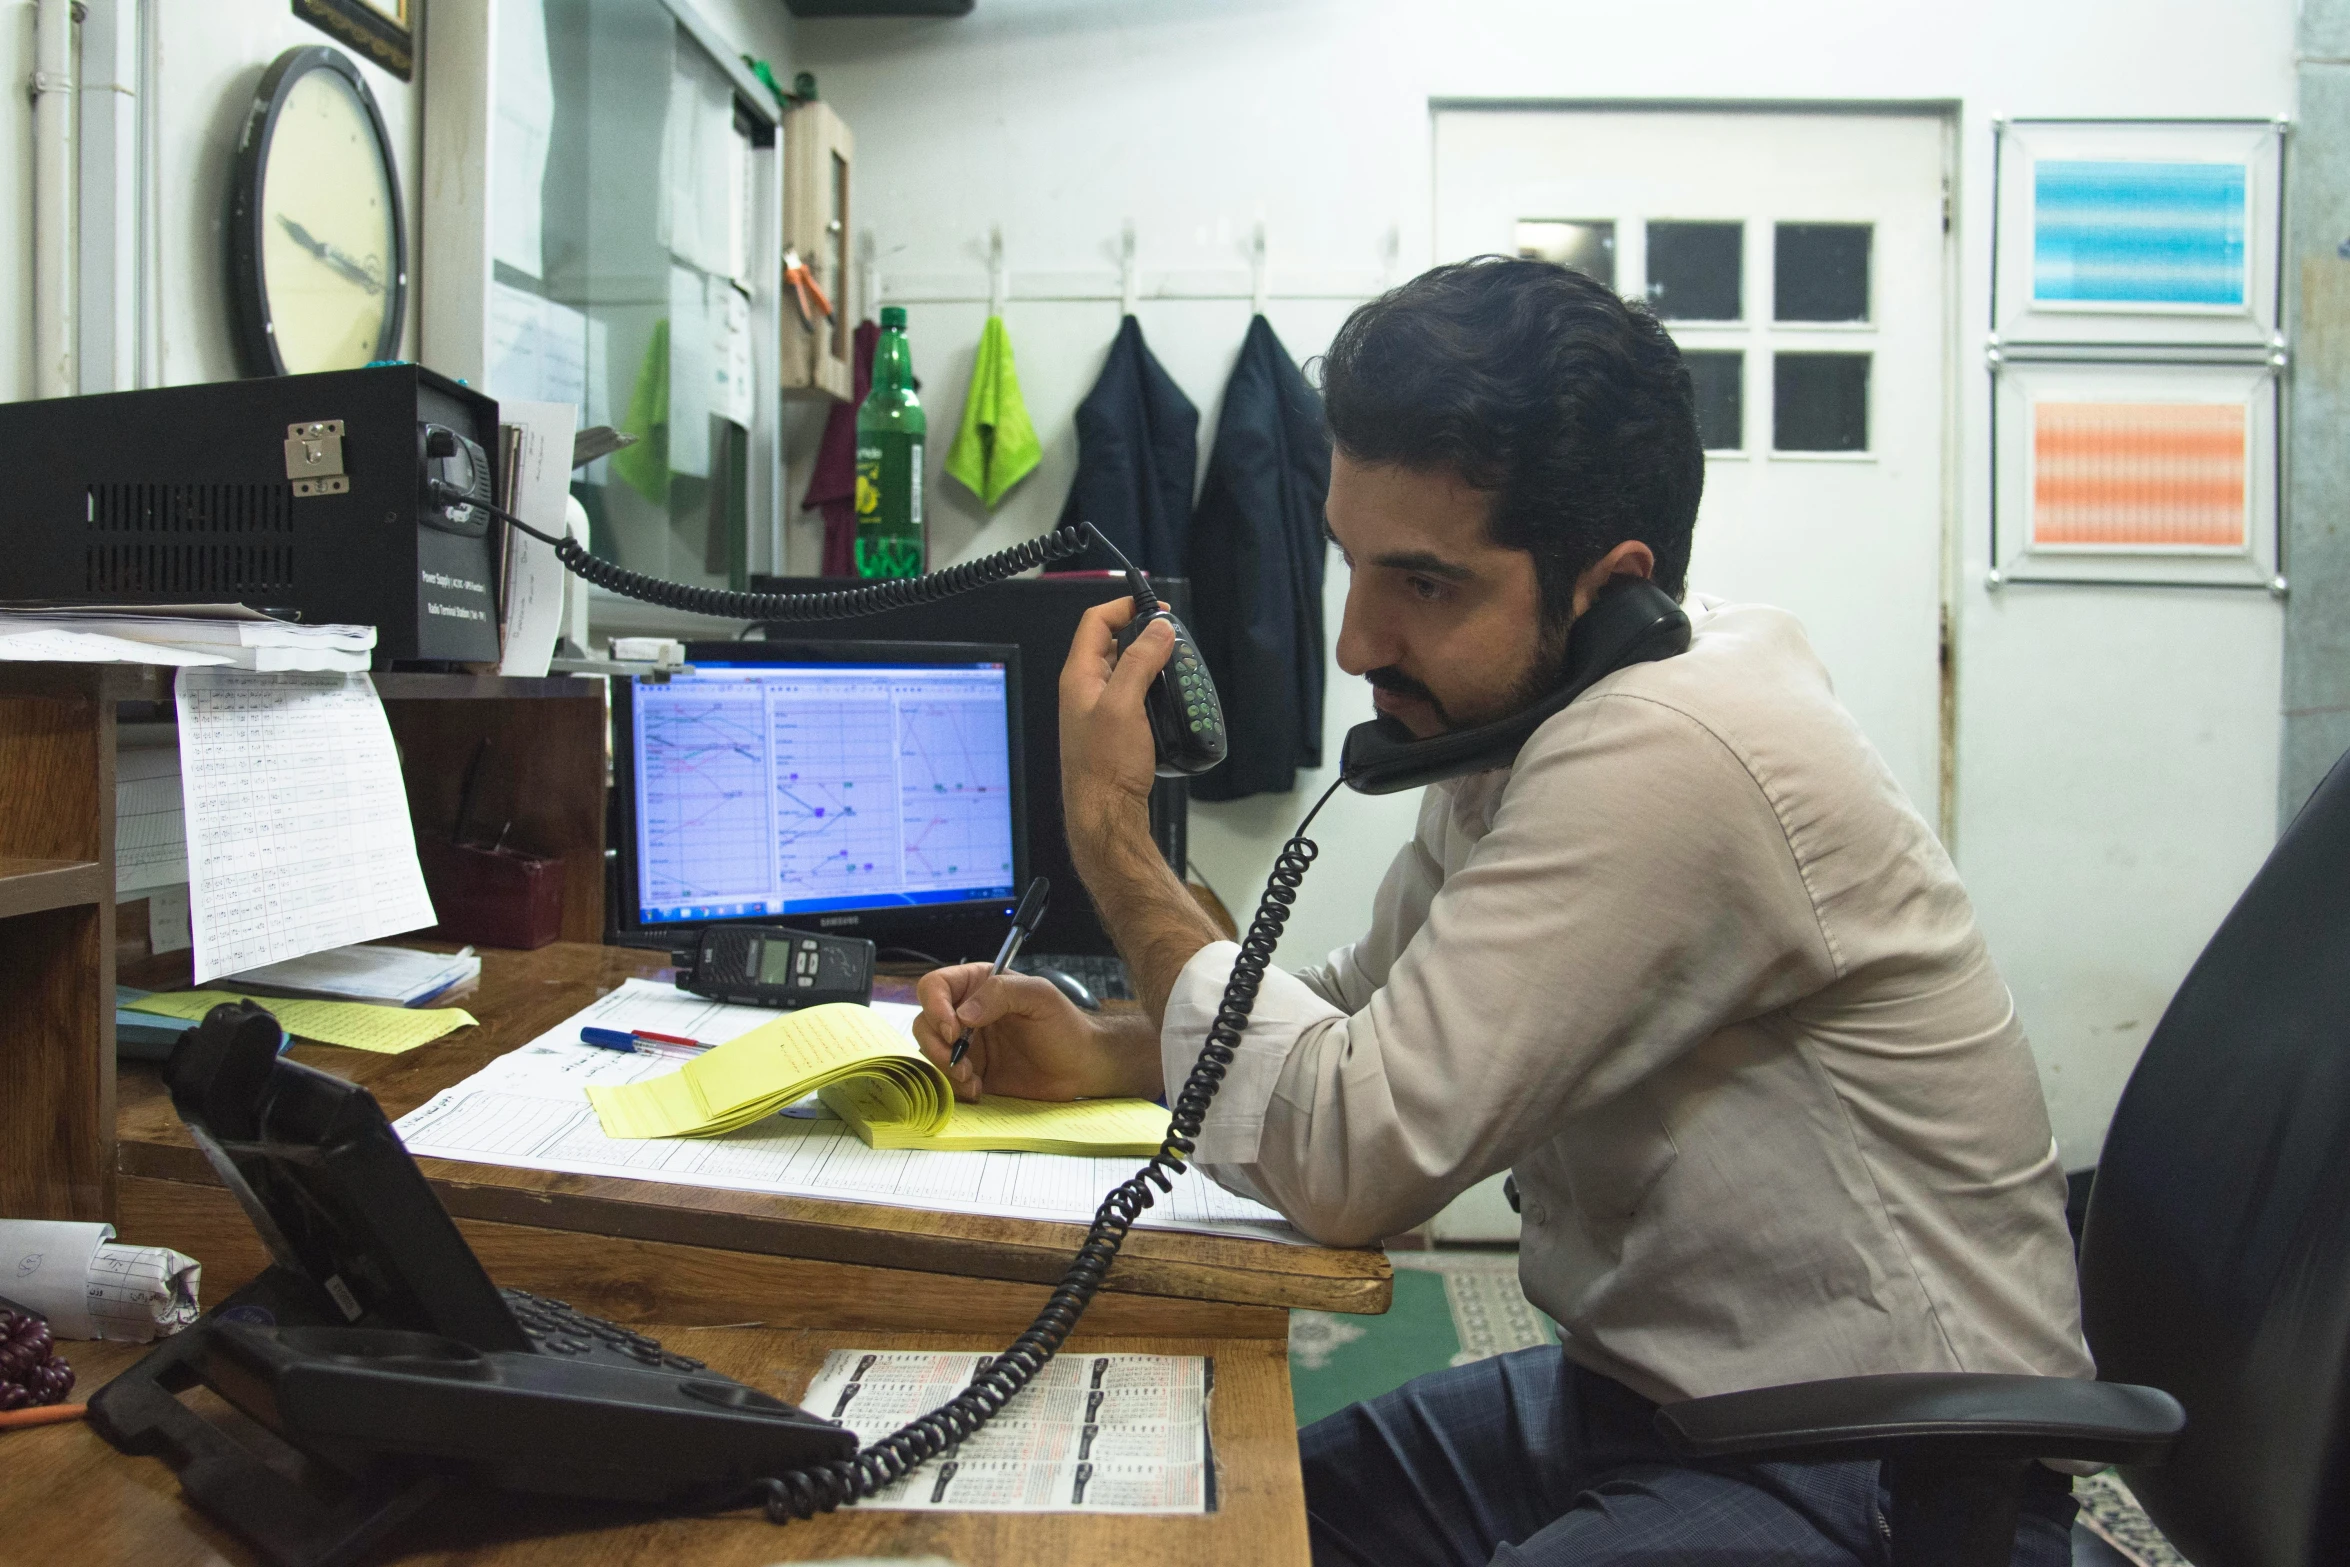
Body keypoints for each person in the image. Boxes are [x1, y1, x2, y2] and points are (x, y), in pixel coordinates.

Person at [911, 257, 2091, 1566]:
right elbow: (1363, 1010)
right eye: (1350, 565)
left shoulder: (1669, 746)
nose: (1355, 641)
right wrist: (1107, 1041)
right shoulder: (1528, 722)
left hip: (1873, 1459)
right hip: (1645, 1398)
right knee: (1229, 1523)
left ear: (1608, 585)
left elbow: (1348, 1154)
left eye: (1423, 584)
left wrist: (1113, 846)